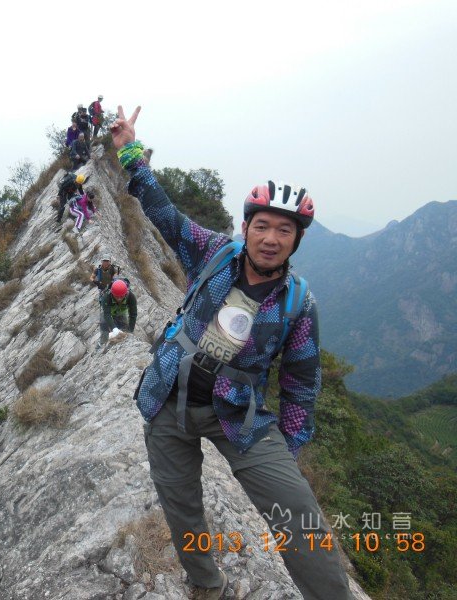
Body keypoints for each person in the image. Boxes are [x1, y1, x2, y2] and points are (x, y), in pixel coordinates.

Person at [111, 105, 353, 600]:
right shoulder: (215, 253)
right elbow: (164, 214)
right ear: (246, 228)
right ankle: (207, 584)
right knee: (181, 506)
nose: (271, 239)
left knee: (298, 517)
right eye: (262, 226)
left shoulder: (298, 303)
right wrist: (130, 151)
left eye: (284, 230)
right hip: (167, 399)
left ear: (297, 240)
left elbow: (301, 384)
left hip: (237, 416)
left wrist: (288, 450)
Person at [99, 279, 137, 346]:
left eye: (121, 296)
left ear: (125, 293)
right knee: (104, 326)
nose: (119, 299)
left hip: (121, 312)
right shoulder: (106, 297)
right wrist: (114, 328)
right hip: (109, 312)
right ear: (112, 293)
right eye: (116, 296)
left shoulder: (131, 297)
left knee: (125, 328)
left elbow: (133, 315)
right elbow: (107, 314)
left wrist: (130, 330)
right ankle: (102, 344)